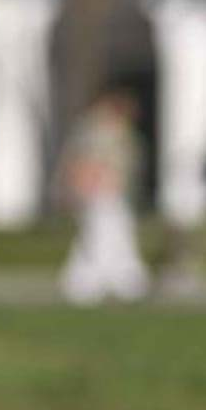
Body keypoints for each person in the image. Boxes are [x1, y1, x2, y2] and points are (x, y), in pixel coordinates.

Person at [57, 89, 149, 305]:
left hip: (112, 193)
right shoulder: (96, 131)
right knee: (99, 237)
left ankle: (120, 281)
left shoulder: (119, 132)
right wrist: (86, 185)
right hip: (100, 193)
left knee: (113, 236)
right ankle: (90, 283)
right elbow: (85, 163)